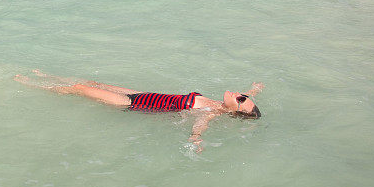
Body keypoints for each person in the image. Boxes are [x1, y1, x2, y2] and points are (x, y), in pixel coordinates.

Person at [14, 70, 264, 153]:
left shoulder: (211, 112)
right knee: (92, 82)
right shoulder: (223, 104)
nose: (239, 94)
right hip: (140, 93)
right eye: (244, 94)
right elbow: (248, 106)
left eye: (241, 98)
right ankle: (47, 76)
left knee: (79, 89)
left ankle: (33, 85)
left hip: (134, 104)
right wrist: (254, 90)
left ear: (236, 110)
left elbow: (198, 128)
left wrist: (196, 140)